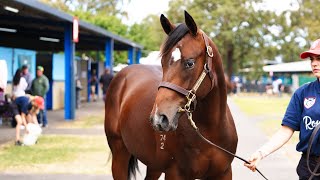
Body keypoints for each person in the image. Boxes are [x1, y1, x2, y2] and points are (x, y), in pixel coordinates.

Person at [244, 39, 320, 179]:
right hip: (309, 167)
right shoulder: (302, 93)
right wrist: (261, 153)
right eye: (312, 59)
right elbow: (286, 130)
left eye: (319, 58)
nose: (314, 63)